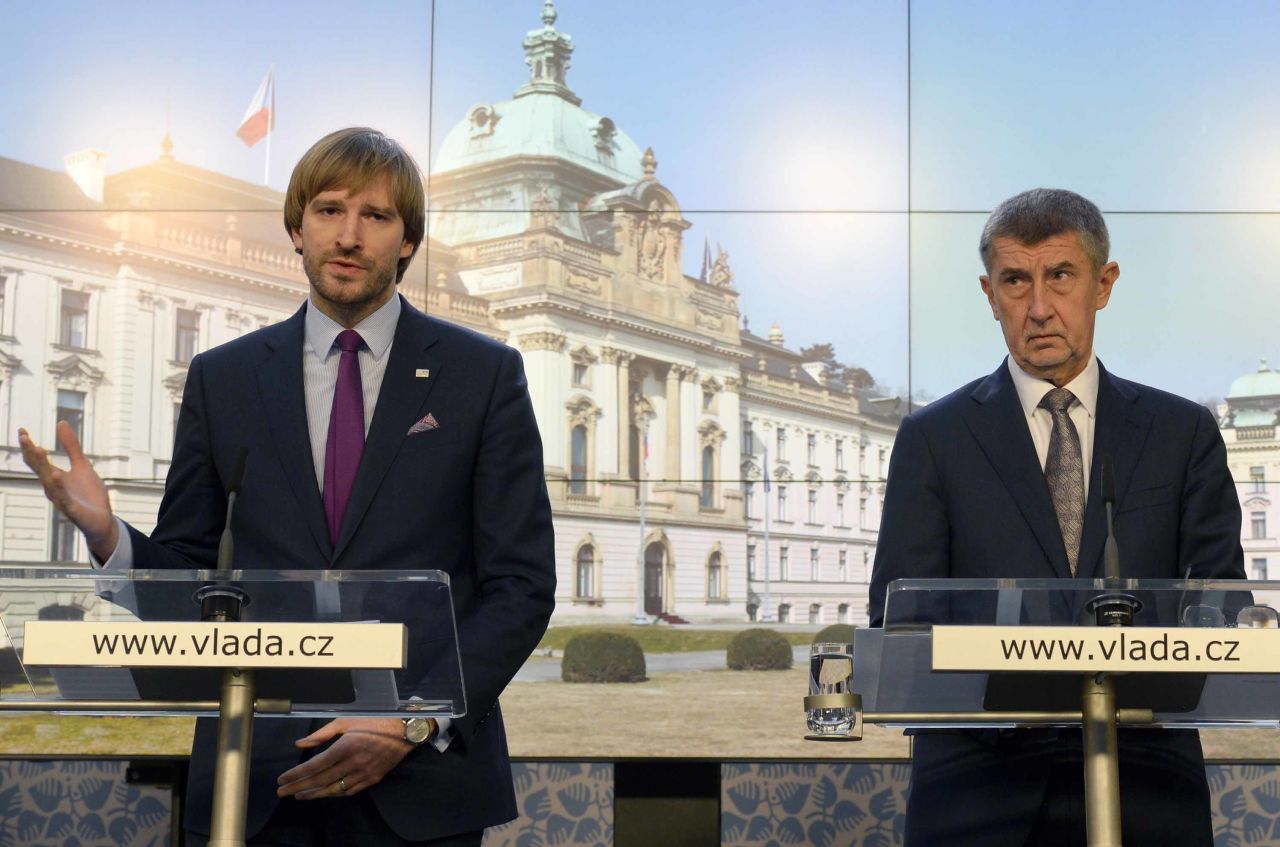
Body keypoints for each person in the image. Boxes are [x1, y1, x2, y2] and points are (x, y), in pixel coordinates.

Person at [20, 127, 556, 846]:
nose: (349, 235)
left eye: (376, 216)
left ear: (407, 241)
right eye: (330, 210)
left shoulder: (482, 375)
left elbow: (519, 585)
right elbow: (190, 575)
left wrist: (408, 718)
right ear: (296, 229)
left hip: (422, 786)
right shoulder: (224, 377)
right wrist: (109, 537)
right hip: (257, 781)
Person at [868, 188, 1243, 847]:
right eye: (1016, 280)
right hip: (979, 801)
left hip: (1148, 795)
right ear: (990, 293)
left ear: (1104, 283)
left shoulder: (1182, 433)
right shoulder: (933, 438)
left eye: (1060, 276)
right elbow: (902, 626)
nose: (1039, 307)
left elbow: (1223, 607)